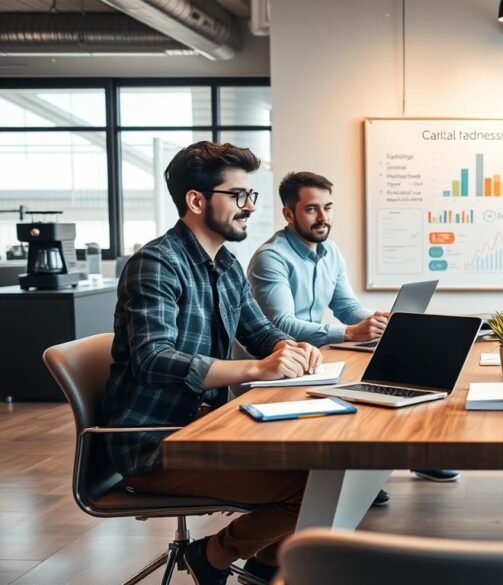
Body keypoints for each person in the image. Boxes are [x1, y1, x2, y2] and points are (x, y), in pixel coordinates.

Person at [102, 141, 322, 585]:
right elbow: (153, 359)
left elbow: (260, 332)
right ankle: (214, 555)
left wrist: (291, 348)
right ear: (197, 200)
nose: (248, 207)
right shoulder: (156, 264)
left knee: (323, 466)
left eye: (251, 196)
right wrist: (257, 369)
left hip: (204, 426)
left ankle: (264, 566)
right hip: (154, 445)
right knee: (311, 488)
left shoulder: (225, 263)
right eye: (237, 196)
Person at [247, 171, 460, 497]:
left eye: (328, 208)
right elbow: (281, 325)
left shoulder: (330, 252)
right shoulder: (271, 258)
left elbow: (347, 306)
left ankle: (408, 456)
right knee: (366, 386)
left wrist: (377, 322)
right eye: (311, 209)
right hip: (280, 365)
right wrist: (348, 332)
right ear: (288, 213)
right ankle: (353, 477)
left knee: (393, 374)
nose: (323, 218)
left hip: (315, 356)